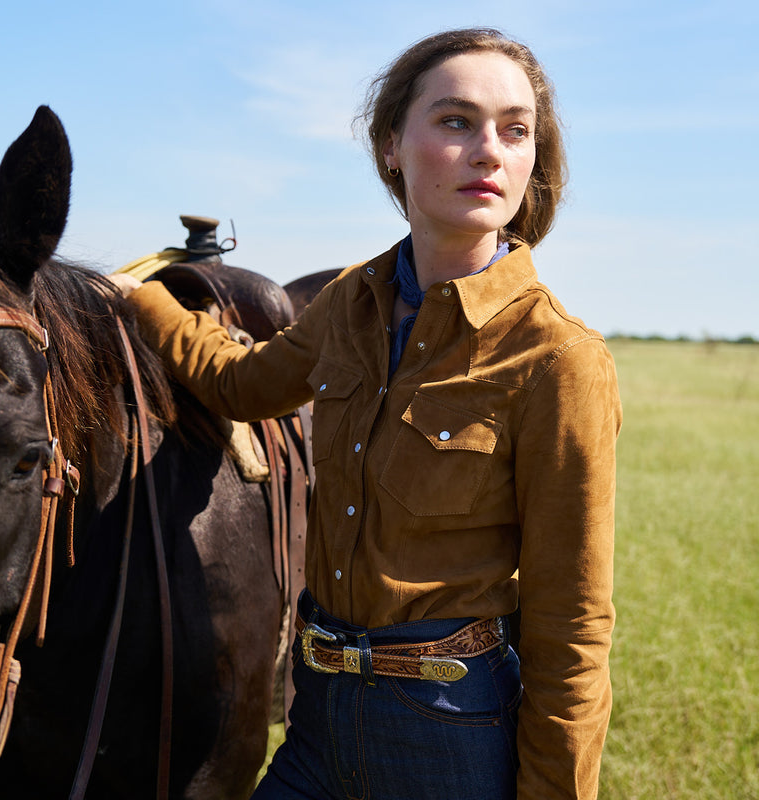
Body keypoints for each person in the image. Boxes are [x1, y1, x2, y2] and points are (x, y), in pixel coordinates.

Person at [111, 27, 621, 799]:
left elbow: (573, 626)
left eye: (516, 130)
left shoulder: (556, 359)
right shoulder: (353, 300)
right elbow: (244, 386)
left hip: (449, 727)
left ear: (532, 161)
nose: (489, 149)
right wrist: (144, 298)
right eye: (456, 120)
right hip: (318, 713)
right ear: (391, 144)